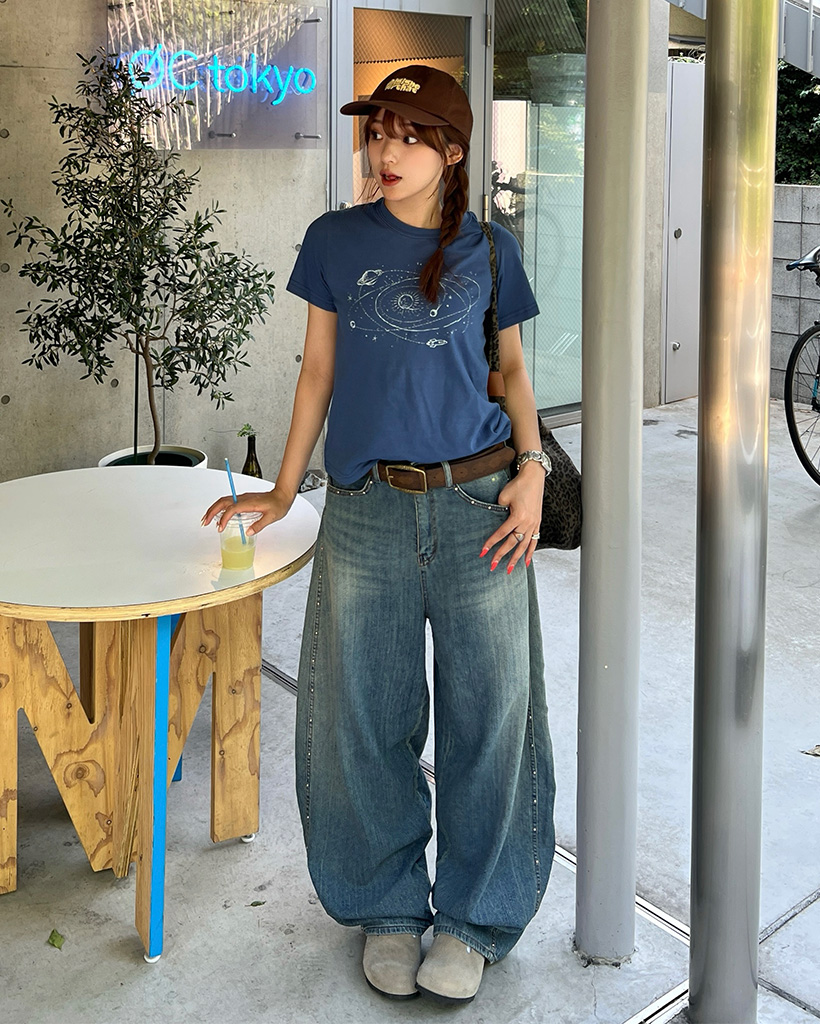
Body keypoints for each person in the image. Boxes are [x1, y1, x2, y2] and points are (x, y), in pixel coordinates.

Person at [203, 64, 555, 1006]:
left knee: (491, 719)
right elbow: (317, 372)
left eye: (407, 135)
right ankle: (390, 909)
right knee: (361, 717)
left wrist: (532, 470)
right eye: (376, 131)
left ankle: (474, 922)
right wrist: (284, 490)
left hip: (481, 510)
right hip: (365, 510)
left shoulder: (492, 249)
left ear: (452, 150)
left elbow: (512, 374)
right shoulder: (334, 240)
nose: (384, 150)